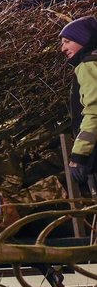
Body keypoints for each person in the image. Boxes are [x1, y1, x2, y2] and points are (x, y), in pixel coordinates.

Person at [60, 16, 97, 186]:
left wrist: (78, 156)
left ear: (83, 38)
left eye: (67, 41)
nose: (63, 48)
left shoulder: (88, 65)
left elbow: (94, 112)